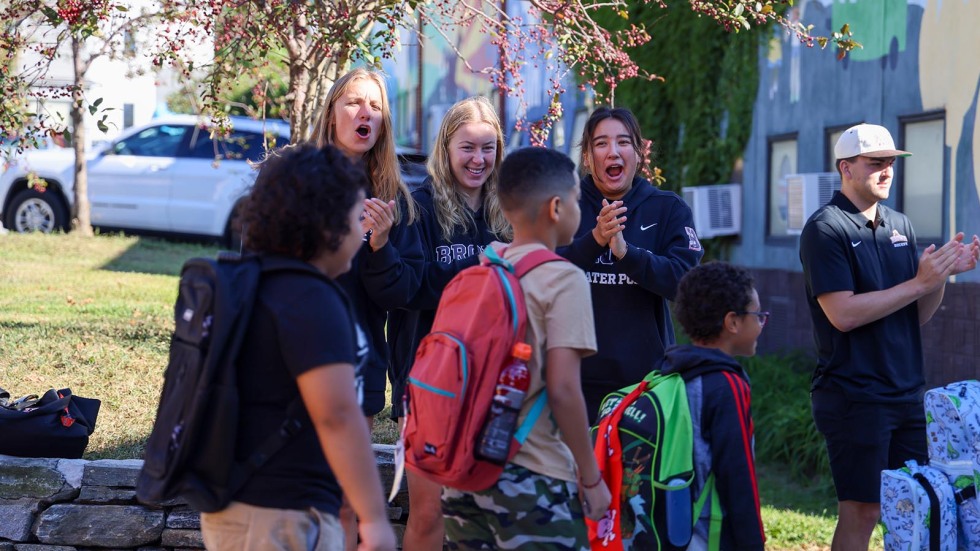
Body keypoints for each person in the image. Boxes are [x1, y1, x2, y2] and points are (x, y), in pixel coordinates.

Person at [198, 143, 396, 551]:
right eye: (355, 216)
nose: (363, 230)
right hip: (276, 516)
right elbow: (338, 415)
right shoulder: (307, 298)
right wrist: (374, 519)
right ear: (325, 224)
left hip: (255, 507)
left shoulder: (266, 280)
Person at [799, 122, 980, 550]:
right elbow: (842, 314)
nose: (886, 171)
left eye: (891, 163)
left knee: (916, 502)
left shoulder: (900, 224)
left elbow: (911, 315)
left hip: (906, 393)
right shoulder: (826, 228)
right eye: (875, 162)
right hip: (854, 395)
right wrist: (919, 282)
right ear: (846, 168)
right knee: (863, 511)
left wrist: (938, 278)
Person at [441, 147, 611, 550]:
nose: (579, 208)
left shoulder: (483, 267)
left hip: (464, 474)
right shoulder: (563, 280)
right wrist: (591, 478)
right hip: (533, 479)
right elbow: (564, 390)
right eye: (575, 199)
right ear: (556, 207)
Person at [386, 96, 511, 551]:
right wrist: (473, 274)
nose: (478, 160)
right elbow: (405, 289)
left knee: (484, 513)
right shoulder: (417, 206)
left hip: (495, 383)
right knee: (428, 515)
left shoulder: (509, 211)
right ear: (446, 147)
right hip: (430, 383)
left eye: (488, 148)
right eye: (467, 148)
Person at [312, 67, 423, 550]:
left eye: (375, 106)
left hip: (356, 368)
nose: (365, 113)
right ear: (332, 112)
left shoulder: (396, 199)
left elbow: (404, 293)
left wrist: (380, 247)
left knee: (342, 499)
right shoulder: (297, 183)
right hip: (290, 362)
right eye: (354, 102)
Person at [558, 106, 704, 424]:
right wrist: (594, 240)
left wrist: (628, 254)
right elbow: (543, 274)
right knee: (580, 474)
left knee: (636, 475)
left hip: (645, 383)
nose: (613, 151)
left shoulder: (668, 209)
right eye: (601, 143)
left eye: (623, 142)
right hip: (571, 382)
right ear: (586, 156)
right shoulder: (564, 206)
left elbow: (686, 284)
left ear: (638, 153)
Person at [663, 261, 768, 550]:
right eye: (758, 315)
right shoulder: (726, 385)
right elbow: (738, 475)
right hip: (709, 534)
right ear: (732, 322)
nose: (761, 323)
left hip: (671, 530)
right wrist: (753, 543)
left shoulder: (670, 370)